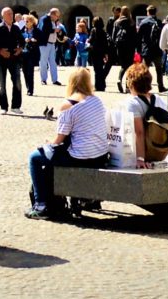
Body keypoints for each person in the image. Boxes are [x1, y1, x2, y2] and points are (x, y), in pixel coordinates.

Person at [25, 69, 113, 220]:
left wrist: (48, 142)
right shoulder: (97, 101)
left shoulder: (68, 105)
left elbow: (58, 140)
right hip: (100, 154)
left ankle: (41, 204)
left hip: (80, 156)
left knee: (34, 158)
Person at [123, 69, 168, 170]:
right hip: (160, 153)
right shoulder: (159, 99)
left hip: (144, 153)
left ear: (131, 84)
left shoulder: (133, 103)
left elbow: (139, 132)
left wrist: (140, 159)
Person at [0, 7, 25, 113]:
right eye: (8, 14)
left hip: (14, 58)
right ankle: (3, 107)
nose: (11, 16)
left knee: (17, 82)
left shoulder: (16, 28)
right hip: (1, 59)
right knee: (1, 84)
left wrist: (20, 49)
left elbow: (22, 41)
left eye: (11, 14)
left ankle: (16, 106)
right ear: (3, 16)